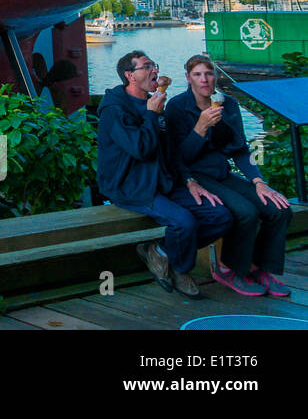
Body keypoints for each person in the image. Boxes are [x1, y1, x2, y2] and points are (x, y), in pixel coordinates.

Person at [97, 50, 231, 297]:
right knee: (184, 221)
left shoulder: (156, 103)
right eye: (147, 67)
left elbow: (170, 152)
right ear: (130, 75)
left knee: (220, 215)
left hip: (162, 180)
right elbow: (141, 149)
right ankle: (181, 270)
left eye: (154, 65)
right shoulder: (114, 110)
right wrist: (151, 114)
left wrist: (189, 179)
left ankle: (160, 253)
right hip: (130, 185)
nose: (154, 71)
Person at [165, 55, 293, 297]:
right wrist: (200, 128)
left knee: (279, 208)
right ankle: (230, 269)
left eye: (209, 73)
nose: (204, 80)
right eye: (197, 75)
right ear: (188, 78)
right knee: (246, 212)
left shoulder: (228, 105)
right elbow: (178, 158)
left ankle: (260, 267)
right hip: (194, 177)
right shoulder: (177, 107)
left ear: (216, 76)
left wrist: (258, 181)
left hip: (221, 173)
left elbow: (241, 149)